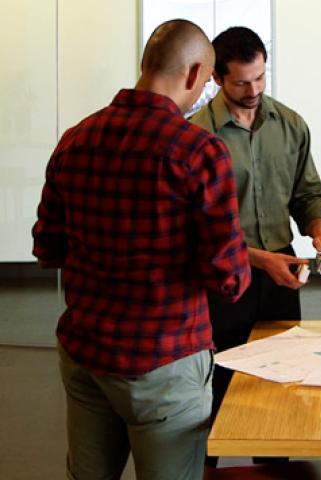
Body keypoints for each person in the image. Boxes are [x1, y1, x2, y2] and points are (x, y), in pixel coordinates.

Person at [31, 19, 251, 480]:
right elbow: (229, 279)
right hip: (165, 361)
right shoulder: (200, 152)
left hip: (87, 354)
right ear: (194, 75)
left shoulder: (75, 139)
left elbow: (47, 247)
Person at [188, 26, 321, 465]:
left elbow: (307, 193)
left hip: (281, 279)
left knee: (280, 385)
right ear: (216, 78)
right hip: (221, 283)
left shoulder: (291, 125)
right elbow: (199, 228)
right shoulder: (196, 136)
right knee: (215, 388)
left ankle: (274, 467)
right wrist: (257, 260)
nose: (253, 90)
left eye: (260, 78)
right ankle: (206, 470)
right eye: (241, 82)